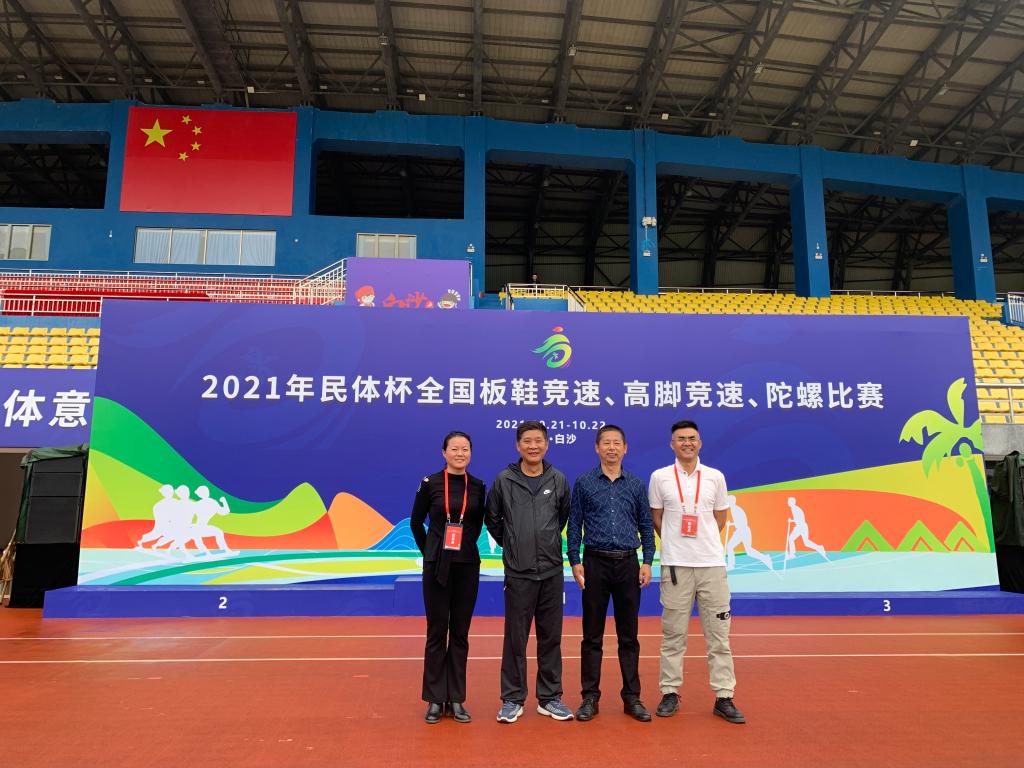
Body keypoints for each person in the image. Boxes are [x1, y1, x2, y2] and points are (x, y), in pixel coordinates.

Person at [648, 419, 745, 724]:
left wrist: (701, 542)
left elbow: (720, 518)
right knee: (673, 634)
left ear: (699, 443)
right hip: (676, 566)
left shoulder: (715, 477)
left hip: (711, 566)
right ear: (672, 444)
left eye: (692, 438)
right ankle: (670, 691)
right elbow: (656, 517)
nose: (687, 443)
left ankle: (724, 696)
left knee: (719, 636)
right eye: (681, 439)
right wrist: (676, 543)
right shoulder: (660, 477)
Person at [567, 425, 655, 723]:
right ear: (597, 448)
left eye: (617, 443)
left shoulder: (635, 484)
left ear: (625, 448)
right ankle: (589, 697)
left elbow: (646, 525)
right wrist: (574, 560)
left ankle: (632, 697)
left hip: (629, 564)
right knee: (591, 636)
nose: (612, 448)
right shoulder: (584, 482)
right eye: (606, 443)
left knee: (629, 637)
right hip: (595, 563)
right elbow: (575, 524)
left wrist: (647, 561)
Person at [486, 420, 572, 723]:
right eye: (527, 441)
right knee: (515, 639)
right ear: (518, 445)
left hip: (551, 571)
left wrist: (544, 544)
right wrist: (513, 544)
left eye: (538, 441)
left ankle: (549, 698)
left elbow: (562, 518)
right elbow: (492, 519)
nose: (533, 446)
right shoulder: (504, 480)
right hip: (518, 573)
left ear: (546, 444)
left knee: (551, 638)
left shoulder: (558, 479)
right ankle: (512, 699)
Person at [410, 431, 486, 724]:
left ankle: (456, 697)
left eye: (465, 449)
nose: (460, 453)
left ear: (471, 453)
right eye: (454, 449)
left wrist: (462, 547)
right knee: (436, 631)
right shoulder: (429, 483)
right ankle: (434, 698)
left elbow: (476, 525)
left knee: (460, 632)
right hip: (436, 566)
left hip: (467, 565)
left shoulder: (478, 486)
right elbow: (416, 522)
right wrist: (431, 550)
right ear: (444, 452)